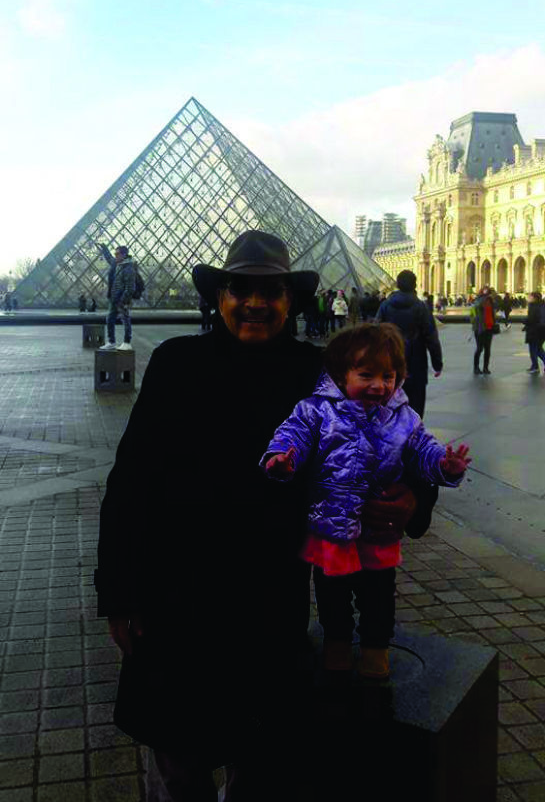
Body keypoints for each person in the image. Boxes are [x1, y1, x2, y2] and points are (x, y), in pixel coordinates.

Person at [95, 230, 437, 802]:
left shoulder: (317, 375)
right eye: (240, 288)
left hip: (268, 602)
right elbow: (131, 482)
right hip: (176, 599)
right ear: (220, 297)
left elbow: (393, 443)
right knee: (178, 767)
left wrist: (416, 499)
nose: (255, 302)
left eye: (271, 291)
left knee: (260, 764)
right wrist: (119, 593)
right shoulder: (175, 363)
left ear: (290, 300)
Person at [262, 323, 469, 681]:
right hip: (332, 528)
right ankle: (337, 642)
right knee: (332, 595)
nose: (379, 385)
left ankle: (376, 647)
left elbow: (424, 451)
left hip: (376, 530)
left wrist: (444, 467)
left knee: (379, 597)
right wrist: (282, 458)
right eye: (366, 375)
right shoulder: (316, 410)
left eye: (388, 376)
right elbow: (292, 434)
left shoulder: (404, 417)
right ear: (342, 376)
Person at [376, 270, 442, 418]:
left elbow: (376, 334)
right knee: (416, 406)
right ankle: (413, 435)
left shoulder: (385, 306)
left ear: (397, 284)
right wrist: (437, 363)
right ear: (415, 284)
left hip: (390, 362)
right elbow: (431, 337)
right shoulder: (421, 307)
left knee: (389, 404)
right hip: (416, 362)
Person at [97, 244, 137, 351]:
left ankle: (127, 342)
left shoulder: (129, 268)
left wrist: (123, 300)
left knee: (125, 320)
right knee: (110, 319)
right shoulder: (117, 263)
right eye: (115, 254)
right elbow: (109, 258)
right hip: (114, 297)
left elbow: (130, 287)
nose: (115, 256)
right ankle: (111, 342)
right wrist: (104, 249)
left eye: (117, 254)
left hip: (121, 299)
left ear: (124, 254)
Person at [470, 285, 497, 375]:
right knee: (479, 348)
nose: (488, 293)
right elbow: (476, 307)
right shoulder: (478, 300)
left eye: (488, 291)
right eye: (486, 291)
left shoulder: (491, 301)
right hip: (480, 328)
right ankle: (476, 367)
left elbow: (493, 313)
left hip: (489, 328)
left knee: (487, 349)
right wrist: (484, 297)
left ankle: (485, 368)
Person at [522, 292, 545, 373]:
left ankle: (535, 366)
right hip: (541, 331)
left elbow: (531, 319)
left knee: (533, 350)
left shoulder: (533, 306)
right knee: (538, 349)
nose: (528, 298)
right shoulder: (542, 305)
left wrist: (524, 321)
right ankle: (534, 366)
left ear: (534, 298)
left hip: (534, 331)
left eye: (530, 296)